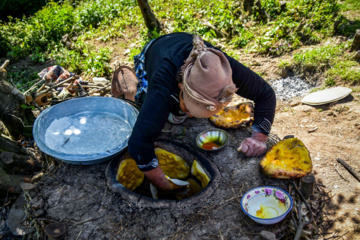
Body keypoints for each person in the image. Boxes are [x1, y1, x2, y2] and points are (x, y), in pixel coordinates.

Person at [126, 32, 276, 192]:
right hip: (156, 50)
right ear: (181, 88)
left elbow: (266, 94)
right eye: (188, 109)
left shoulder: (223, 70)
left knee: (173, 112)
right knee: (153, 108)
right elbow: (138, 145)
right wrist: (166, 186)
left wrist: (259, 138)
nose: (189, 116)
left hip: (182, 48)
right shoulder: (162, 87)